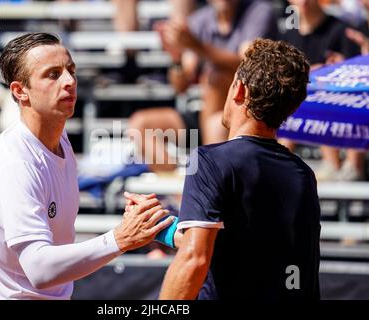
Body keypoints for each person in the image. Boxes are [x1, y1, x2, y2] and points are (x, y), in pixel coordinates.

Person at [0, 32, 174, 300]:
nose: (69, 81)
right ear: (20, 91)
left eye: (71, 70)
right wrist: (120, 238)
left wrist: (155, 227)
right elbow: (39, 269)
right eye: (53, 74)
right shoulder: (13, 163)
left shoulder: (59, 138)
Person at [157, 39, 321, 300]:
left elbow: (195, 260)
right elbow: (242, 243)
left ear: (239, 90)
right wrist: (161, 228)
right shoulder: (303, 174)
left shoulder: (210, 161)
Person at [128, 0, 277, 171]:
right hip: (206, 110)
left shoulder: (259, 12)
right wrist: (176, 59)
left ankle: (209, 180)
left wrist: (197, 46)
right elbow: (181, 86)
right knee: (141, 125)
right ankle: (179, 193)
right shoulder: (199, 20)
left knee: (216, 80)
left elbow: (247, 65)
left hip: (247, 112)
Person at [277, 0, 365, 181]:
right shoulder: (289, 35)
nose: (303, 2)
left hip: (339, 101)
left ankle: (349, 166)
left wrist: (329, 71)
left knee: (319, 97)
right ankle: (279, 165)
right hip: (303, 103)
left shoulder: (341, 30)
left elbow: (356, 74)